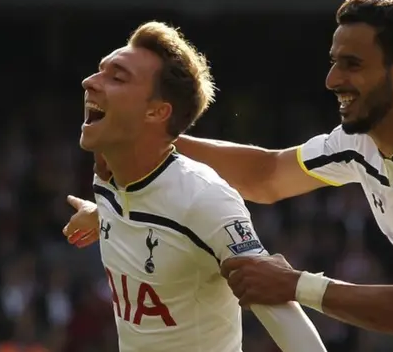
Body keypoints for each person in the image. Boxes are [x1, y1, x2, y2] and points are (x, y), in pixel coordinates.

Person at [66, 0, 393, 351]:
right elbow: (266, 175)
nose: (332, 80)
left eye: (352, 64)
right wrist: (147, 137)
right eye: (333, 63)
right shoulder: (362, 140)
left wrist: (295, 284)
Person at [61, 21, 326, 352]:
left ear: (157, 111)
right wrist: (100, 216)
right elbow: (145, 214)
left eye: (117, 77)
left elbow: (281, 311)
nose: (89, 82)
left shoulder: (205, 198)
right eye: (99, 71)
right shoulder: (108, 172)